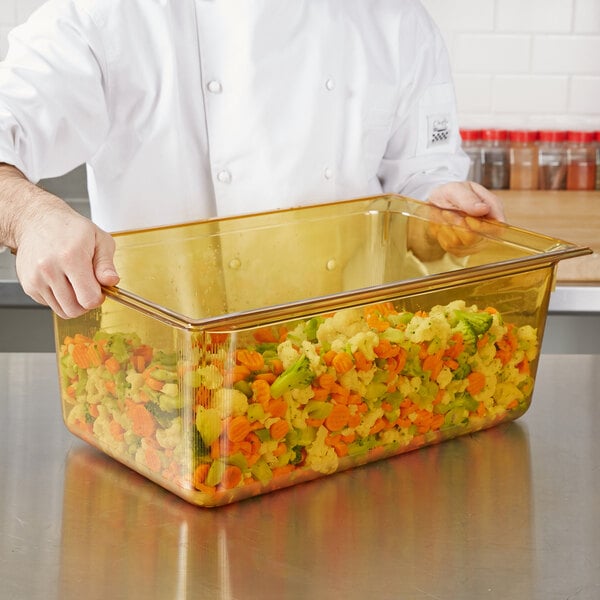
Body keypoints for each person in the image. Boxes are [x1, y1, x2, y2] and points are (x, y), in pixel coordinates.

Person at [0, 0, 503, 320]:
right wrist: (29, 217)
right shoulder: (108, 14)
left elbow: (419, 184)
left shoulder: (398, 22)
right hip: (161, 375)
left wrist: (440, 215)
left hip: (346, 369)